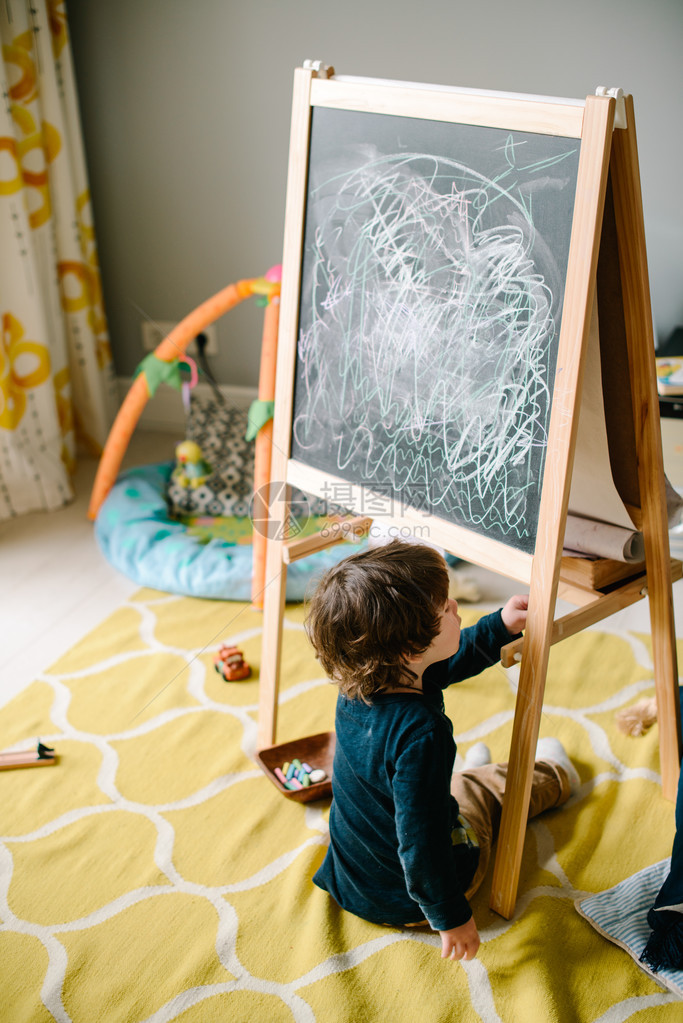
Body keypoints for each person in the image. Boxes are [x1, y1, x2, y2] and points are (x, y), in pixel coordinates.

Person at [305, 538, 579, 962]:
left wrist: (499, 626)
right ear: (410, 649)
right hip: (412, 898)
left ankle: (459, 782)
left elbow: (444, 662)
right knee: (484, 793)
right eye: (444, 609)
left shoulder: (360, 683)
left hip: (353, 878)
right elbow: (423, 844)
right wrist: (450, 916)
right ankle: (558, 775)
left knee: (434, 791)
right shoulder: (423, 734)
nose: (454, 607)